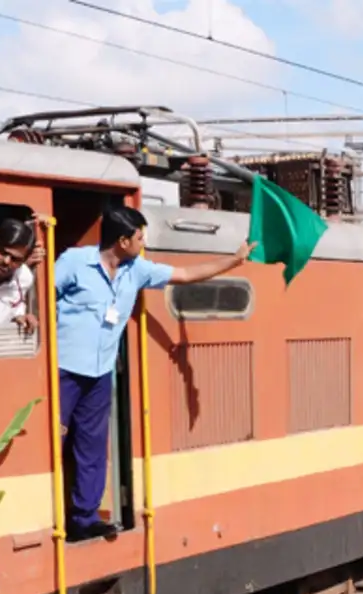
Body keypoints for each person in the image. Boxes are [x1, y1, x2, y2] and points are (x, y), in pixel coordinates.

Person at [55, 206, 255, 542]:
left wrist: (234, 261)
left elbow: (186, 276)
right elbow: (44, 295)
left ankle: (84, 517)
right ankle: (46, 519)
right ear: (122, 241)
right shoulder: (74, 263)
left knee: (92, 447)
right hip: (63, 371)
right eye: (139, 237)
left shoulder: (138, 270)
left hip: (101, 373)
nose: (143, 241)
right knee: (53, 442)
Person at [0, 217, 43, 334]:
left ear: (24, 261)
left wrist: (21, 318)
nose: (6, 261)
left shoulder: (24, 278)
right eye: (3, 253)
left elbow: (15, 311)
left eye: (15, 259)